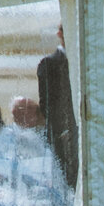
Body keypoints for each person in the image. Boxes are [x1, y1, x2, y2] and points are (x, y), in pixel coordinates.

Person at [37, 29, 77, 189]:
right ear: (60, 34)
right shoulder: (48, 64)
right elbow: (46, 104)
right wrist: (64, 129)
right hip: (61, 136)